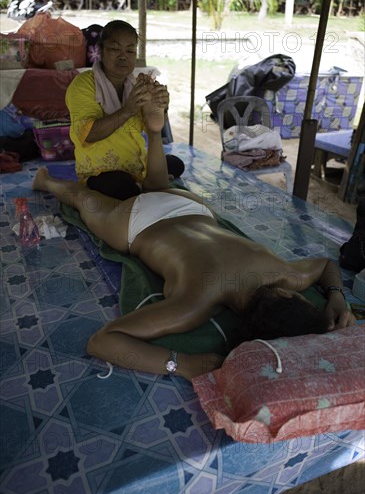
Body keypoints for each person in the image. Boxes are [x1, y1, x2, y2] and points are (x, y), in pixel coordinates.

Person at [32, 125, 356, 381]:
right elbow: (103, 340)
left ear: (287, 296)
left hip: (188, 206)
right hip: (138, 223)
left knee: (115, 191)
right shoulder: (195, 304)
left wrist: (335, 297)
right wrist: (182, 364)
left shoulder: (283, 273)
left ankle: (152, 135)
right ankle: (48, 180)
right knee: (81, 198)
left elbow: (325, 266)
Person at [65, 20, 184, 201]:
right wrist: (128, 109)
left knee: (176, 164)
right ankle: (135, 184)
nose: (123, 57)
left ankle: (140, 180)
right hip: (100, 169)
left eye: (130, 50)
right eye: (115, 49)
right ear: (101, 51)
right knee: (124, 189)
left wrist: (160, 107)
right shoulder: (83, 84)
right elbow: (87, 134)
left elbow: (153, 128)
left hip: (136, 164)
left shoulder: (137, 84)